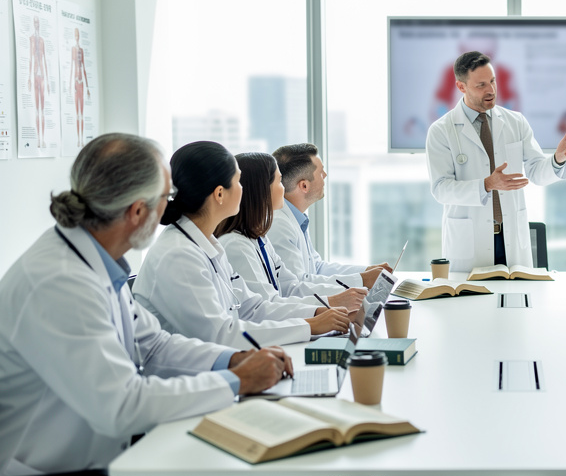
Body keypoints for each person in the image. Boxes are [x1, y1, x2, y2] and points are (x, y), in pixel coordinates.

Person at [0, 133, 291, 476]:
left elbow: (153, 345)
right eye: (166, 197)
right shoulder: (59, 283)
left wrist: (234, 360)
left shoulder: (94, 260)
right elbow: (122, 405)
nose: (171, 207)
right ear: (138, 211)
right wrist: (236, 381)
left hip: (100, 460)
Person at [134, 141, 352, 349]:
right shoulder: (178, 255)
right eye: (238, 182)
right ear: (220, 194)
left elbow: (252, 308)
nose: (244, 189)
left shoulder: (208, 244)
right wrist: (309, 325)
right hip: (194, 370)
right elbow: (220, 334)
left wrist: (316, 315)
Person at [425, 51, 566, 272]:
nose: (491, 90)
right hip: (469, 241)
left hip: (511, 237)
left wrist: (557, 160)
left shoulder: (516, 122)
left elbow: (535, 172)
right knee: (471, 294)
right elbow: (441, 189)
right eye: (481, 85)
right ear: (461, 87)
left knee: (517, 293)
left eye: (492, 81)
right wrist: (486, 185)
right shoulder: (441, 131)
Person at [217, 152, 368, 309]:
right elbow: (263, 308)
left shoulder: (260, 239)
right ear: (262, 190)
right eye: (280, 181)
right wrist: (329, 305)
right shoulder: (238, 244)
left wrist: (346, 295)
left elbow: (290, 286)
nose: (284, 189)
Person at [268, 143, 389, 288]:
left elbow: (317, 268)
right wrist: (362, 279)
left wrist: (367, 271)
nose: (325, 175)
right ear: (304, 185)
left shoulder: (296, 218)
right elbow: (297, 285)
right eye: (321, 172)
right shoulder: (279, 225)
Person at [28, 15, 51, 149]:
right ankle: (38, 139)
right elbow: (30, 58)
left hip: (42, 76)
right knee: (37, 109)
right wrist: (29, 77)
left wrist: (47, 80)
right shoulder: (31, 39)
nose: (37, 24)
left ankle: (43, 139)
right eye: (35, 22)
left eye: (38, 22)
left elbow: (45, 59)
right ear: (33, 23)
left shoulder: (42, 41)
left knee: (42, 109)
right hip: (35, 75)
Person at [69, 27, 91, 148]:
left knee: (81, 114)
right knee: (77, 114)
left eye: (78, 35)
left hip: (81, 82)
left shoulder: (81, 50)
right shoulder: (73, 49)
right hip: (76, 83)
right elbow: (72, 67)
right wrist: (70, 85)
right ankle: (78, 139)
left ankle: (82, 139)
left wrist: (87, 87)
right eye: (75, 35)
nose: (77, 37)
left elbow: (84, 68)